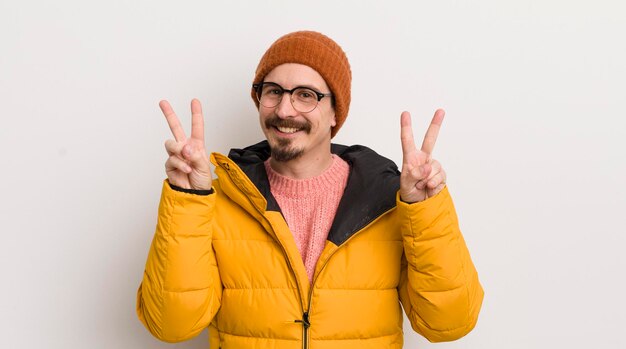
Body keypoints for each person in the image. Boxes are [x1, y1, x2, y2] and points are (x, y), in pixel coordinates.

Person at [136, 30, 483, 349]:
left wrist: (425, 211)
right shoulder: (219, 200)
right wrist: (188, 200)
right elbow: (170, 325)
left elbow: (448, 323)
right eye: (273, 92)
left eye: (306, 95)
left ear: (335, 112)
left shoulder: (390, 201)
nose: (285, 110)